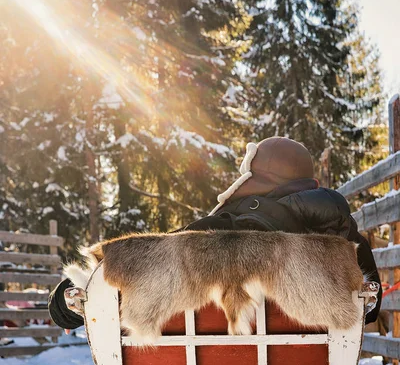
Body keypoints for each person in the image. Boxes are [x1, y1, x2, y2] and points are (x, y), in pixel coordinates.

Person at [48, 137, 381, 330]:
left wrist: (73, 296)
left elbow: (124, 278)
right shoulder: (345, 242)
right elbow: (369, 310)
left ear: (258, 176)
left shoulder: (219, 229)